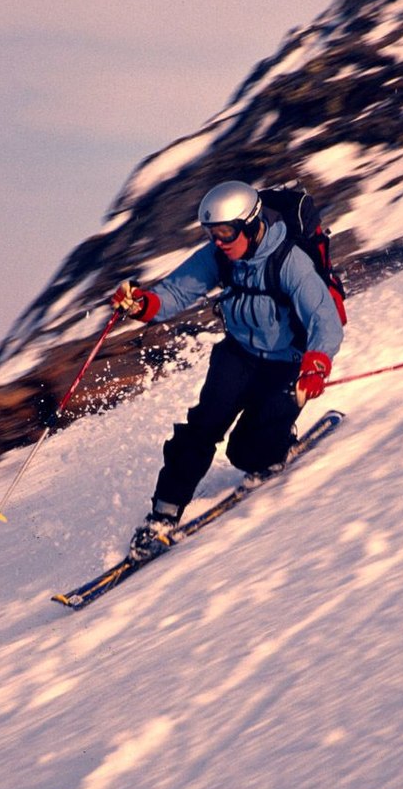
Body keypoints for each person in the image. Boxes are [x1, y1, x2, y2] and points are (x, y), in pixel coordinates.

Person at [111, 179, 344, 560]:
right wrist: (142, 305)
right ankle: (163, 514)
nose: (218, 241)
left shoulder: (290, 262)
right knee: (203, 426)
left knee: (247, 454)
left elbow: (325, 319)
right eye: (211, 233)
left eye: (225, 232)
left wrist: (315, 365)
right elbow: (175, 293)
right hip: (238, 354)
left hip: (287, 366)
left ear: (250, 225)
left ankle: (275, 445)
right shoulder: (219, 256)